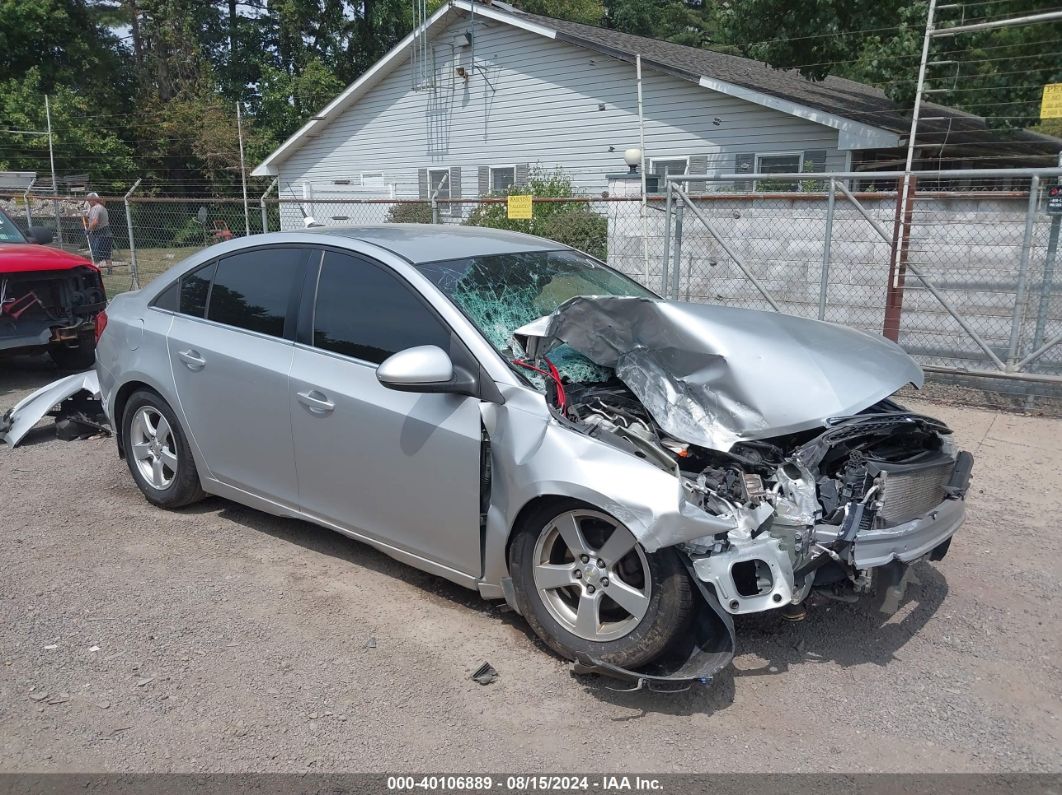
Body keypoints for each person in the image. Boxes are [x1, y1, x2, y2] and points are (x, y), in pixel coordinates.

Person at [84, 192, 113, 274]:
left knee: (96, 254)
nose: (89, 202)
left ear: (93, 200)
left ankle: (96, 271)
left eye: (89, 201)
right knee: (107, 254)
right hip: (107, 233)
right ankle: (110, 270)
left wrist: (88, 230)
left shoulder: (96, 208)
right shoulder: (102, 207)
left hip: (99, 234)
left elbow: (95, 222)